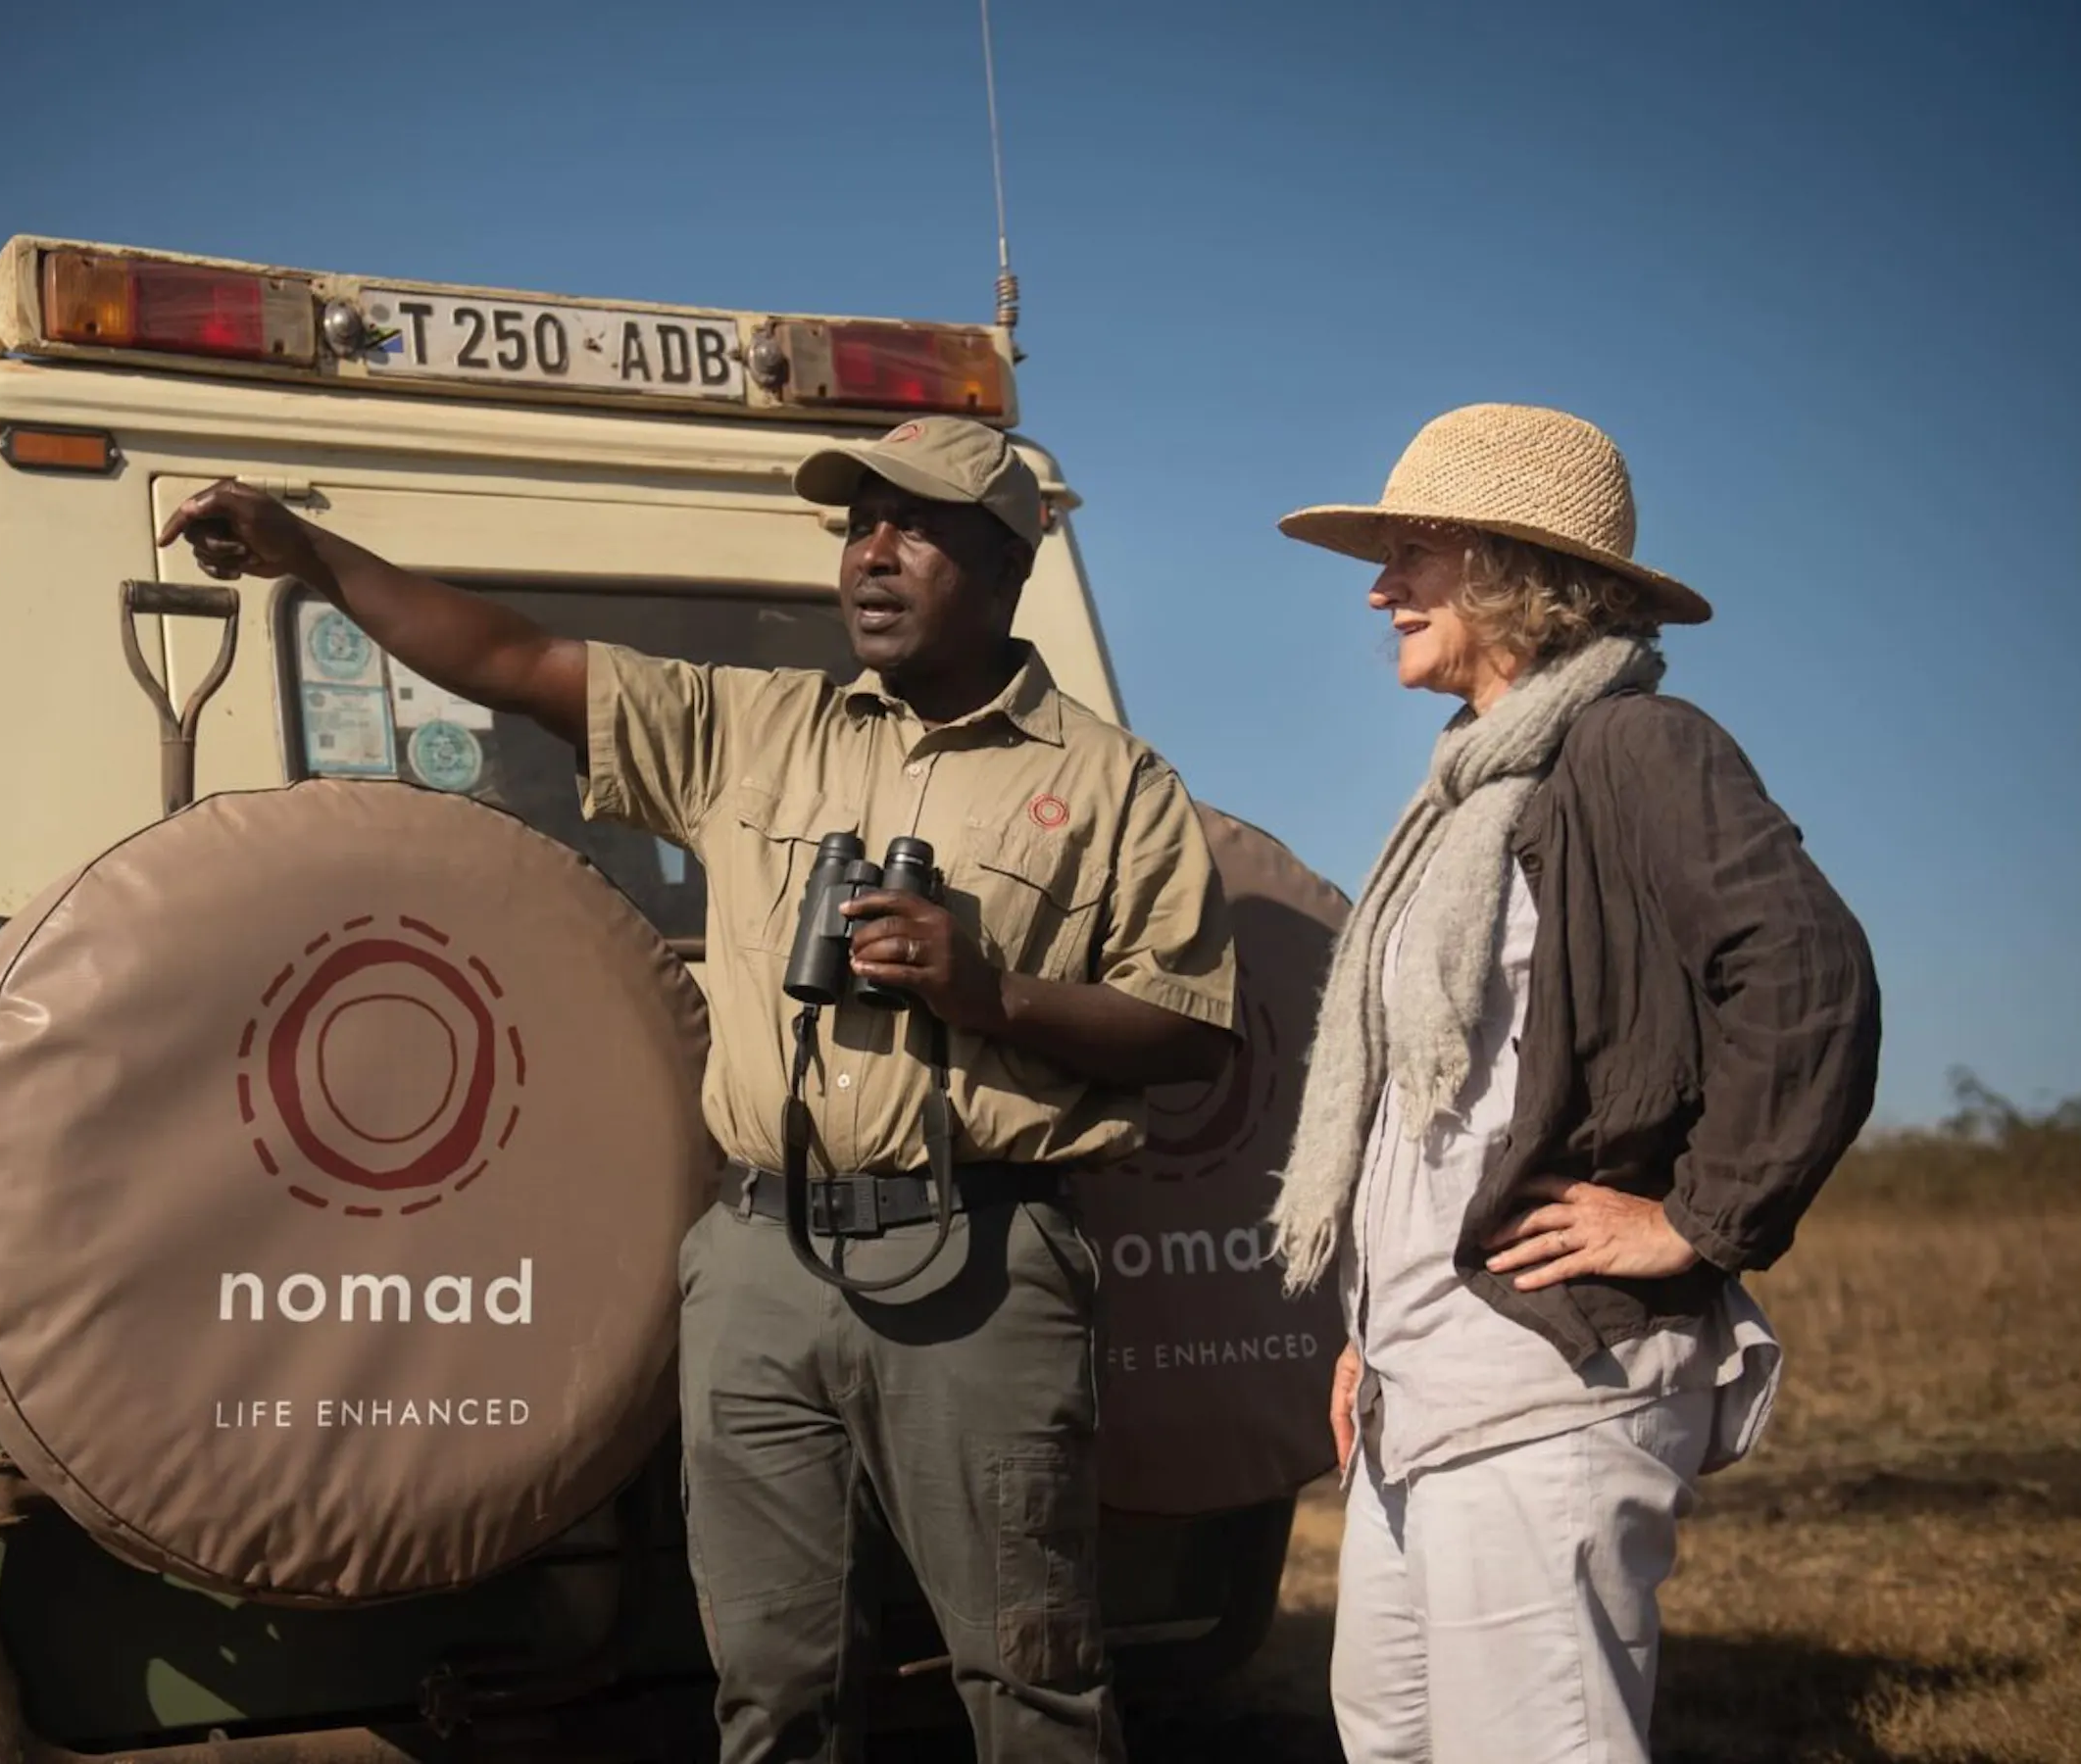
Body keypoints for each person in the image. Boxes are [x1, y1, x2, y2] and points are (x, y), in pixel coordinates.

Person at [161, 416, 1240, 1764]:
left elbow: (1193, 1037)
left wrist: (993, 994)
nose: (872, 555)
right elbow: (512, 660)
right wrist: (307, 554)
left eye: (914, 527)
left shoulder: (1114, 785)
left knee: (1030, 1680)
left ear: (1009, 560)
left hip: (984, 1256)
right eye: (858, 526)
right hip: (760, 1257)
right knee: (773, 1683)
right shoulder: (755, 727)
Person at [1263, 404, 1881, 1764]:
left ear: (1507, 571)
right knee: (1396, 1741)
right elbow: (1437, 1115)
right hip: (1423, 1387)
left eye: (1412, 553)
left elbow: (1809, 974)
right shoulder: (1468, 794)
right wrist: (1376, 1323)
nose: (1379, 590)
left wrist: (1698, 1221)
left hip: (1550, 1380)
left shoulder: (1638, 750)